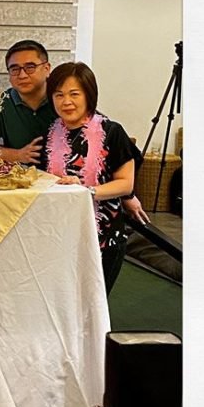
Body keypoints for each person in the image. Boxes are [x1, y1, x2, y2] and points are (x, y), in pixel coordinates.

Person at [0, 39, 149, 224]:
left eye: (30, 67)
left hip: (99, 215)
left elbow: (117, 165)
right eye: (15, 69)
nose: (22, 74)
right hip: (44, 205)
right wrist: (18, 155)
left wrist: (126, 195)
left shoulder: (106, 128)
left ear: (46, 68)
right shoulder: (2, 106)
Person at [45, 61, 135, 296]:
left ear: (89, 95)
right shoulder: (50, 133)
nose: (66, 101)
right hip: (62, 234)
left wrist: (87, 191)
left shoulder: (111, 131)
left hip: (104, 235)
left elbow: (126, 183)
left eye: (74, 94)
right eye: (59, 95)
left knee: (94, 303)